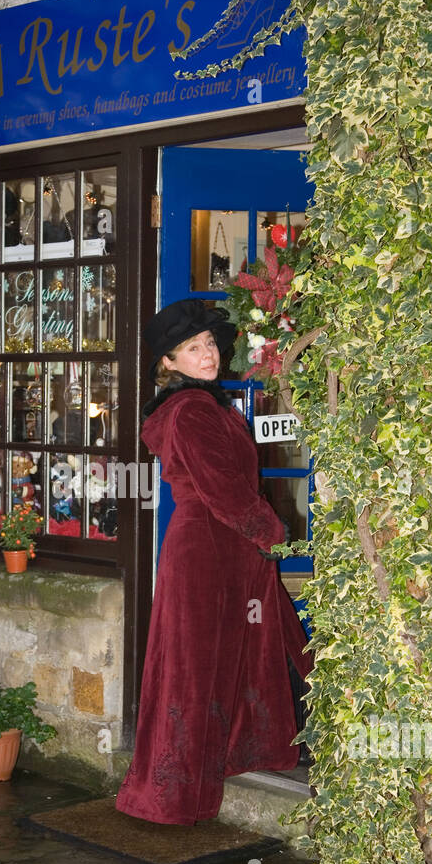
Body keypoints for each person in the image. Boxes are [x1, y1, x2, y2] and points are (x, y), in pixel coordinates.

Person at [115, 299, 313, 826]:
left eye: (208, 344)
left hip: (220, 551)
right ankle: (176, 796)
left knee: (218, 662)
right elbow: (224, 490)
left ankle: (215, 766)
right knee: (194, 673)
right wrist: (273, 533)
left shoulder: (204, 405)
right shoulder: (191, 411)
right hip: (207, 554)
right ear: (169, 364)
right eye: (191, 349)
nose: (207, 355)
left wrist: (261, 540)